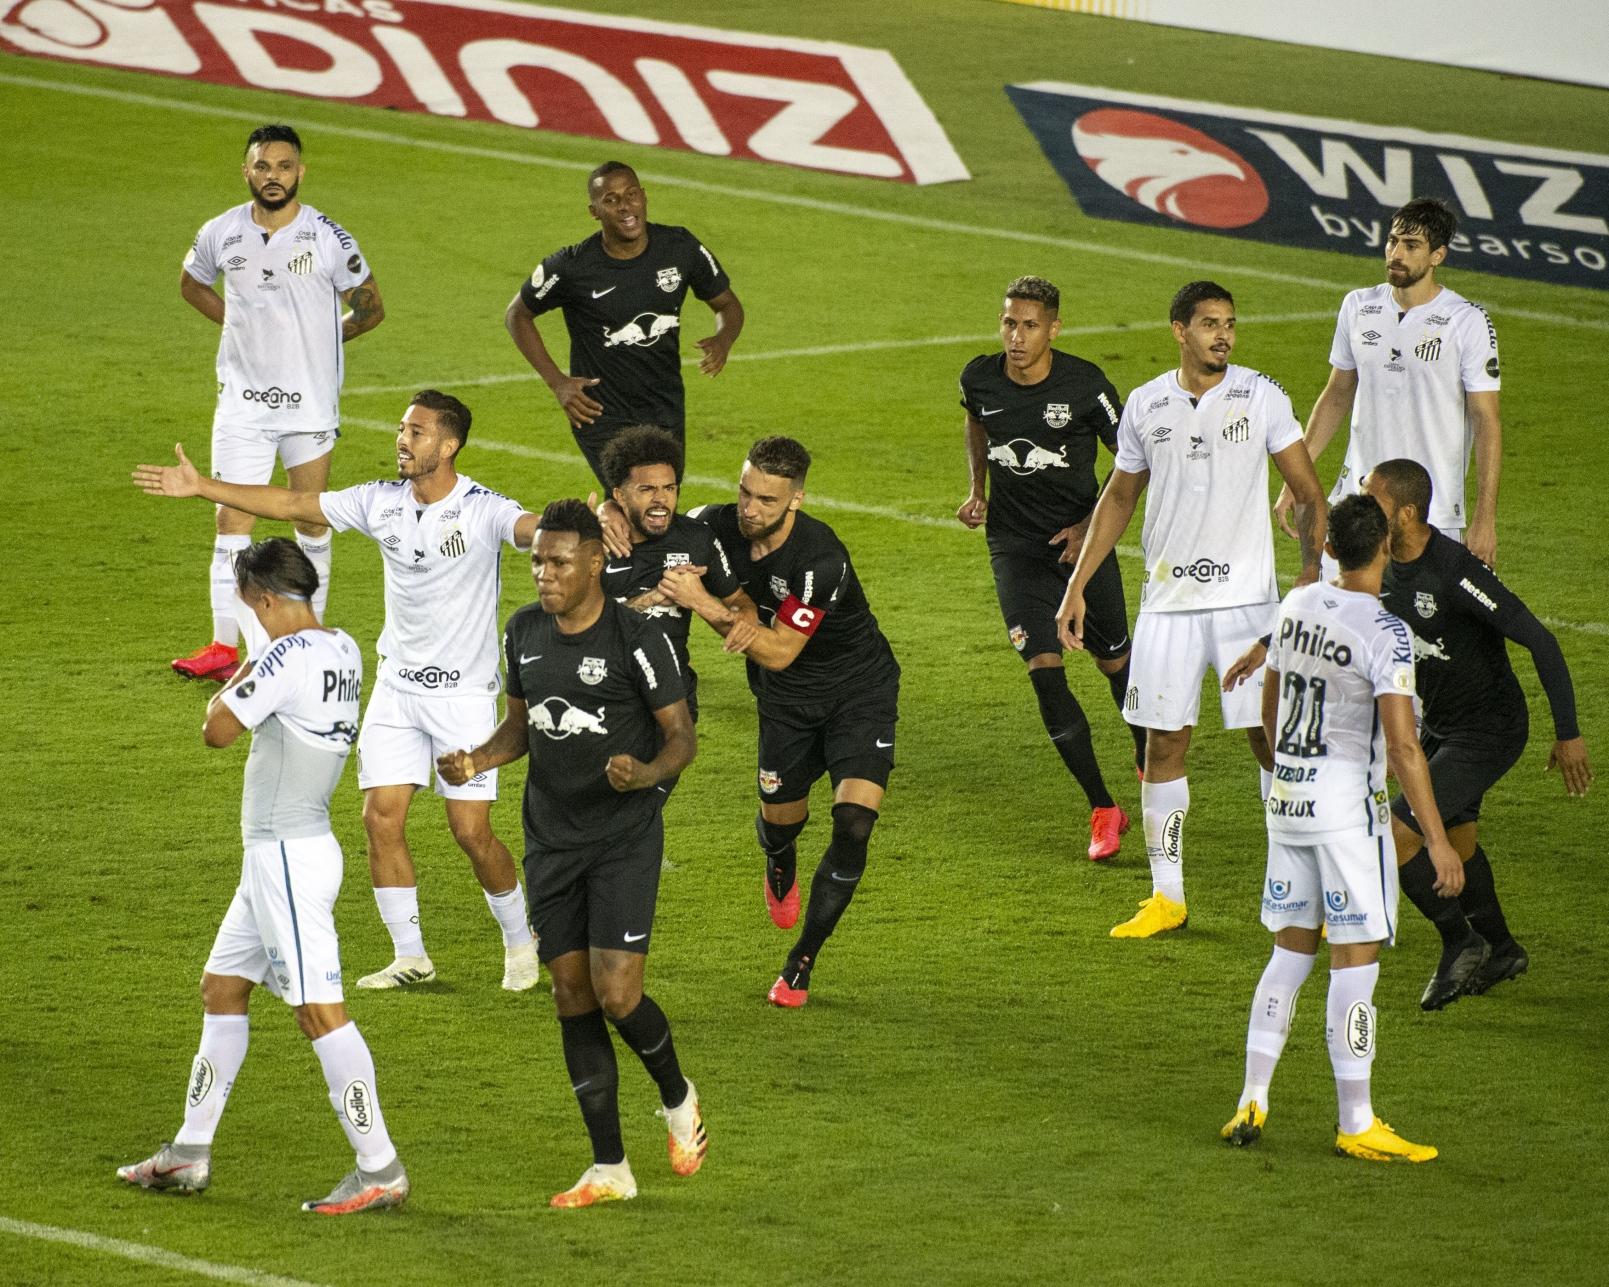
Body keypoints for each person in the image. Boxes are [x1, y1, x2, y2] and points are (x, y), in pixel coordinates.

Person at [134, 391, 542, 993]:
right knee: (381, 818)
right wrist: (204, 488)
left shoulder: (482, 508)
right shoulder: (380, 501)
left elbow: (529, 528)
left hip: (463, 698)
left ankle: (519, 940)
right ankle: (412, 957)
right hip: (398, 687)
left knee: (470, 832)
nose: (403, 440)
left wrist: (573, 527)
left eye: (418, 432)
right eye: (403, 429)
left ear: (449, 445)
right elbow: (294, 502)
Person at [117, 539, 409, 1212]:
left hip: (286, 857)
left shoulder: (287, 654)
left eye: (249, 606)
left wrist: (242, 672)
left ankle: (379, 1166)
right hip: (286, 852)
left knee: (318, 1011)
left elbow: (215, 729)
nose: (249, 615)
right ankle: (190, 1150)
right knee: (222, 987)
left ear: (268, 600)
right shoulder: (342, 645)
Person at [438, 500, 703, 1209]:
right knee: (570, 995)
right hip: (550, 839)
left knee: (618, 993)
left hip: (622, 837)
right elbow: (520, 728)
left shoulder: (638, 637)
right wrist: (477, 760)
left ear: (595, 562)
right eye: (537, 562)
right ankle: (609, 1166)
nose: (544, 574)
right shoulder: (524, 630)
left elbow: (681, 735)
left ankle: (678, 1094)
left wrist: (647, 774)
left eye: (558, 562)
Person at [1055, 281, 1327, 938]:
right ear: (1179, 329)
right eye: (1209, 323)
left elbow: (1308, 492)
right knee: (1163, 741)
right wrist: (1076, 586)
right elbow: (1119, 497)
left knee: (1269, 741)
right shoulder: (1146, 404)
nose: (1222, 335)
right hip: (1169, 605)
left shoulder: (1260, 396)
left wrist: (1311, 571)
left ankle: (1297, 890)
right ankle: (1165, 895)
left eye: (1229, 323)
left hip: (1247, 608)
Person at [1220, 494, 1460, 1164]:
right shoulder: (1385, 632)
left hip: (1287, 801)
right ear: (1383, 546)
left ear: (1328, 548)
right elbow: (1404, 746)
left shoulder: (1294, 605)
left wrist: (1280, 765)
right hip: (1346, 814)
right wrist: (1437, 840)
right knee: (1354, 962)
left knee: (1289, 953)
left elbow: (1267, 704)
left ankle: (1252, 1094)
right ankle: (1355, 1118)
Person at [667, 437, 900, 1007]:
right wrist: (607, 517)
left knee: (854, 823)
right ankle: (779, 857)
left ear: (795, 500)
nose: (750, 508)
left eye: (766, 501)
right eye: (745, 492)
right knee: (780, 822)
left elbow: (778, 651)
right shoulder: (711, 525)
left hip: (857, 692)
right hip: (785, 705)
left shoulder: (822, 559)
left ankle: (801, 962)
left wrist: (705, 604)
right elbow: (652, 528)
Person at [1366, 459, 1591, 1006]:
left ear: (1408, 512)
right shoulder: (1385, 565)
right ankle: (1504, 948)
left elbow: (1540, 640)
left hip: (1490, 731)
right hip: (1443, 727)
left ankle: (1458, 943)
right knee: (1460, 846)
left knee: (1396, 836)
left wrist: (1569, 734)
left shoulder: (1456, 572)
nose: (1363, 506)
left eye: (1374, 501)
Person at [174, 123, 384, 681]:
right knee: (230, 517)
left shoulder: (329, 238)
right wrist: (233, 324)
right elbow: (192, 282)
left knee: (312, 519)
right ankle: (225, 648)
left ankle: (310, 635)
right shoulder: (221, 231)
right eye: (263, 166)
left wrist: (322, 339)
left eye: (284, 166)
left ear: (300, 173)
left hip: (309, 406)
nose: (274, 176)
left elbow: (370, 309)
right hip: (243, 403)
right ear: (246, 171)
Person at [956, 275, 1147, 861]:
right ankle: (1103, 807)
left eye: (1030, 325)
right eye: (1009, 323)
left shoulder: (1086, 385)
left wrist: (1090, 526)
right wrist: (976, 487)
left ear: (1054, 329)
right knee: (1044, 666)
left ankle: (1149, 754)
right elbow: (977, 423)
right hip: (1014, 547)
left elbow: (1135, 463)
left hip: (1080, 550)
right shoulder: (979, 377)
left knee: (1116, 662)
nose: (1016, 336)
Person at [1273, 197, 1502, 568]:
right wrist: (1295, 480)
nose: (1396, 253)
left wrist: (1484, 519)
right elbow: (1336, 394)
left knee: (1417, 625)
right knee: (1339, 616)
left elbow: (1487, 421)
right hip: (1356, 503)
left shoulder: (1466, 321)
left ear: (1437, 256)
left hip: (1432, 511)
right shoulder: (1359, 307)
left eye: (1411, 246)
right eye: (1393, 241)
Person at [504, 160, 744, 486]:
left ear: (644, 197)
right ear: (594, 211)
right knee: (632, 498)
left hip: (665, 406)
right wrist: (557, 382)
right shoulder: (573, 267)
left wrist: (723, 339)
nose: (625, 207)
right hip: (602, 413)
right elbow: (517, 315)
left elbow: (728, 305)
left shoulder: (679, 248)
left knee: (658, 504)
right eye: (611, 200)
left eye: (631, 195)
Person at [598, 426, 754, 757]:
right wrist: (653, 598)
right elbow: (574, 626)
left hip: (672, 698)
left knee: (644, 799)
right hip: (605, 695)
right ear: (620, 495)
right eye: (647, 489)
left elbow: (739, 602)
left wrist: (732, 619)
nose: (661, 500)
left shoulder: (696, 539)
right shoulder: (593, 544)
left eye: (669, 488)